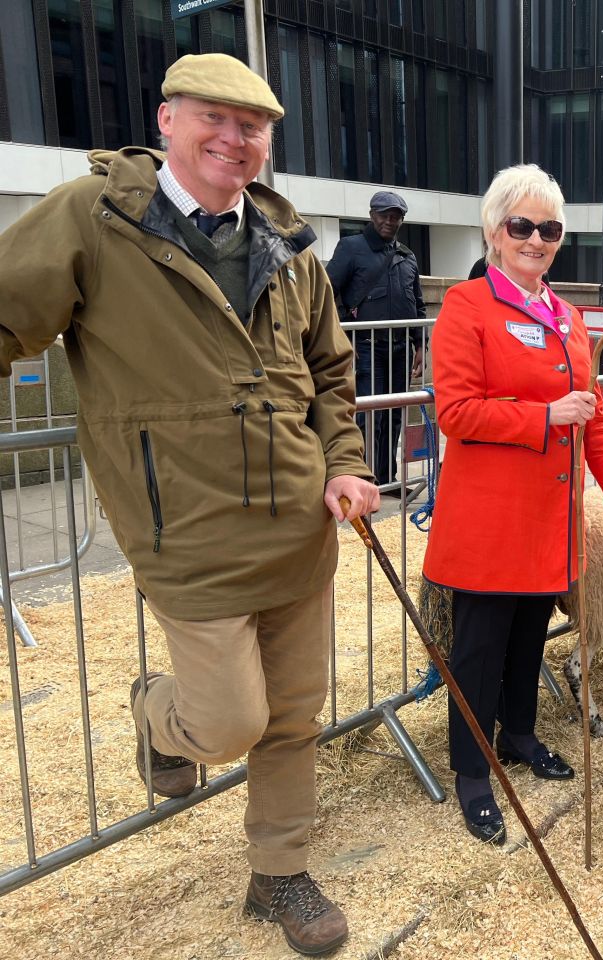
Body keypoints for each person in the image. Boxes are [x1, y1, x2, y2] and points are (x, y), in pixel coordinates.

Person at [0, 54, 378, 955]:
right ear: (166, 119)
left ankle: (278, 870)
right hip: (184, 531)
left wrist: (346, 461)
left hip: (297, 524)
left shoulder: (292, 248)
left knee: (293, 713)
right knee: (228, 720)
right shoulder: (93, 217)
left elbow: (330, 372)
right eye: (215, 117)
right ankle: (152, 710)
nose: (233, 139)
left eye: (253, 127)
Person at [421, 164, 603, 846]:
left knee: (528, 641)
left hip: (550, 520)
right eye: (522, 226)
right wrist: (543, 417)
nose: (536, 239)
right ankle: (471, 772)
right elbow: (457, 413)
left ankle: (518, 734)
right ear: (494, 231)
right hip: (490, 522)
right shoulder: (467, 309)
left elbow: (597, 422)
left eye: (549, 229)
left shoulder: (569, 318)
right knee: (479, 650)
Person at [326, 190, 428, 491]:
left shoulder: (407, 256)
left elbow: (417, 303)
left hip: (399, 347)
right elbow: (326, 293)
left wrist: (421, 344)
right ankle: (363, 478)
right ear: (372, 215)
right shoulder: (351, 247)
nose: (389, 220)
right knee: (370, 415)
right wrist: (345, 337)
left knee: (395, 412)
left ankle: (387, 479)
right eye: (384, 214)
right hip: (366, 346)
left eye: (395, 216)